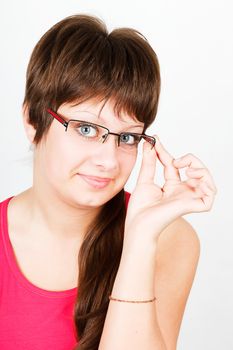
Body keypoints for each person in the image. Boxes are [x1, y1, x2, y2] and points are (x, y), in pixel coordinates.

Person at [0, 14, 217, 350]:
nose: (109, 160)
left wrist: (141, 239)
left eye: (128, 138)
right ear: (32, 120)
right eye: (87, 129)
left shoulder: (169, 238)